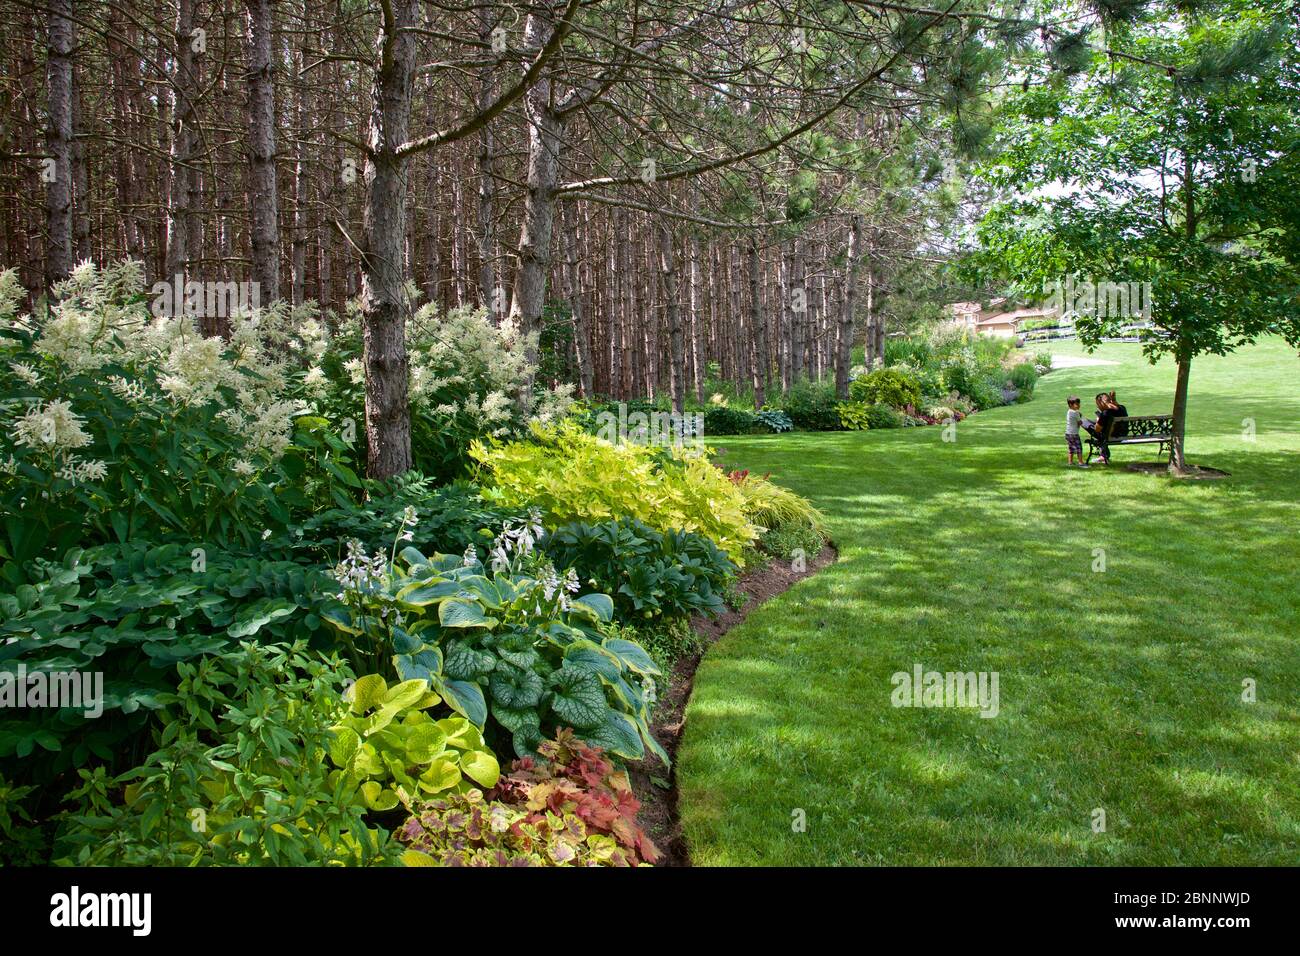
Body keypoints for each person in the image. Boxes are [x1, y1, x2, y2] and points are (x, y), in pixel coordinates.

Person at [1065, 396, 1088, 467]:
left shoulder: (1069, 412)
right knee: (1079, 448)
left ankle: (1070, 462)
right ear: (1071, 405)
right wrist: (1081, 421)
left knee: (1071, 448)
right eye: (1077, 404)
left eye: (1079, 404)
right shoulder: (1076, 413)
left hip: (1068, 433)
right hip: (1074, 434)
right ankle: (1080, 462)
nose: (1079, 405)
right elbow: (1079, 422)